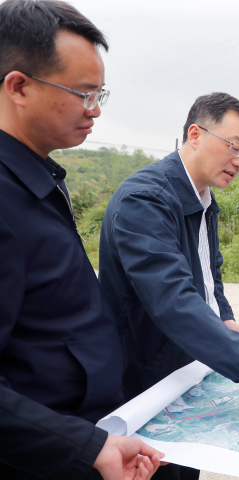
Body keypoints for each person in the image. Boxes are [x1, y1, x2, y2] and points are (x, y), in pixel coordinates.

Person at [99, 92, 239, 480]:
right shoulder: (145, 200)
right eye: (234, 146)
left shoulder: (203, 200)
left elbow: (208, 277)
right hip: (148, 385)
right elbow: (173, 300)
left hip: (189, 372)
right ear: (195, 134)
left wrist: (227, 319)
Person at [0, 1, 164, 479]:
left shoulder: (39, 177)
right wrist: (86, 447)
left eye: (100, 93)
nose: (95, 109)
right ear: (18, 86)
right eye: (82, 93)